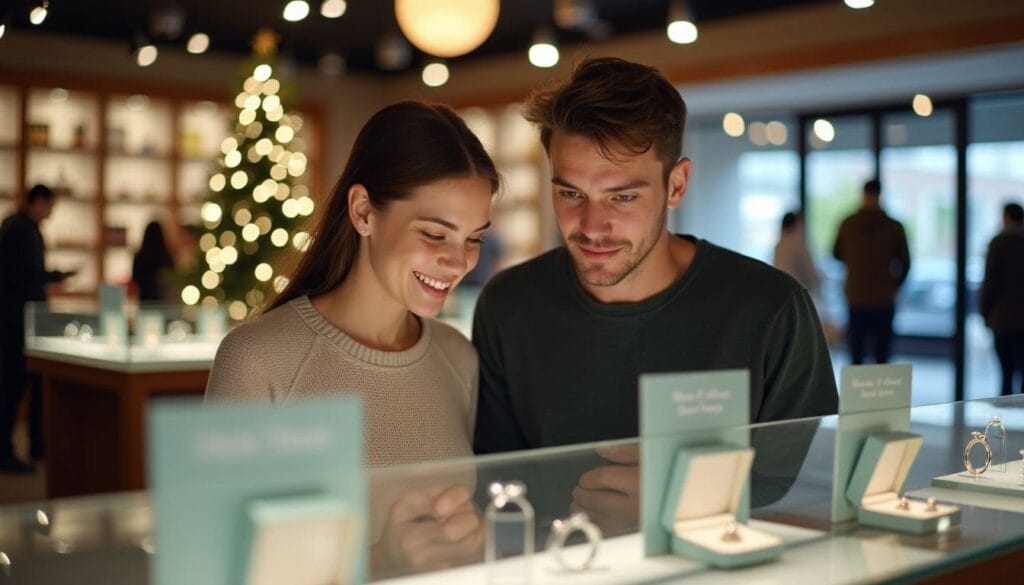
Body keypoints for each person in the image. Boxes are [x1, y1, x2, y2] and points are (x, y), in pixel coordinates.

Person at [472, 57, 838, 456]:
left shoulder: (771, 309)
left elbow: (813, 493)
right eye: (571, 193)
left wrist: (676, 504)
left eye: (623, 197)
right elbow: (498, 486)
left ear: (676, 185)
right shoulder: (508, 305)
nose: (593, 226)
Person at [204, 101, 497, 574]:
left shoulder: (458, 358)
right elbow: (217, 561)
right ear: (363, 212)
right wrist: (379, 560)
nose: (459, 261)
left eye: (473, 238)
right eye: (434, 234)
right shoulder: (257, 359)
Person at [0, 184, 73, 472]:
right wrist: (54, 276)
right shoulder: (22, 231)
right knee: (13, 385)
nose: (51, 214)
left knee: (13, 385)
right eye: (50, 207)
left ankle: (20, 448)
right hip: (18, 321)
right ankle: (8, 452)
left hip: (15, 319)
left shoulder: (14, 227)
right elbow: (27, 276)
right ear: (39, 202)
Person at [832, 179, 911, 365]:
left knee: (856, 354)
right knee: (882, 356)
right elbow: (906, 263)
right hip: (883, 297)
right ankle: (883, 393)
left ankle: (855, 393)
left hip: (856, 296)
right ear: (880, 195)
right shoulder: (893, 226)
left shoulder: (848, 224)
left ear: (863, 194)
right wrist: (894, 285)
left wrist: (855, 263)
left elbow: (835, 254)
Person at [980, 202, 1024, 396]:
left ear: (1006, 217)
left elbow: (991, 282)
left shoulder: (999, 243)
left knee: (1006, 375)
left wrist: (985, 312)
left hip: (1003, 319)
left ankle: (1007, 420)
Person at [773, 211, 821, 299]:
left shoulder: (779, 244)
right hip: (797, 294)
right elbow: (811, 274)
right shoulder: (797, 244)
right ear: (796, 224)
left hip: (782, 293)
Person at [131, 220, 175, 301]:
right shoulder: (166, 257)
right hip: (164, 303)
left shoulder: (140, 257)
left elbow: (135, 280)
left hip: (145, 302)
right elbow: (172, 280)